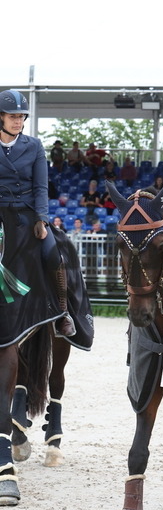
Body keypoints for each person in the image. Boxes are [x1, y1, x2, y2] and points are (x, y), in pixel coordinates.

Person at [0, 89, 75, 336]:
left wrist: (42, 219)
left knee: (53, 254)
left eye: (21, 116)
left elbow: (41, 187)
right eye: (13, 116)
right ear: (1, 117)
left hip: (27, 215)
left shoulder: (34, 146)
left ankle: (61, 314)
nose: (18, 121)